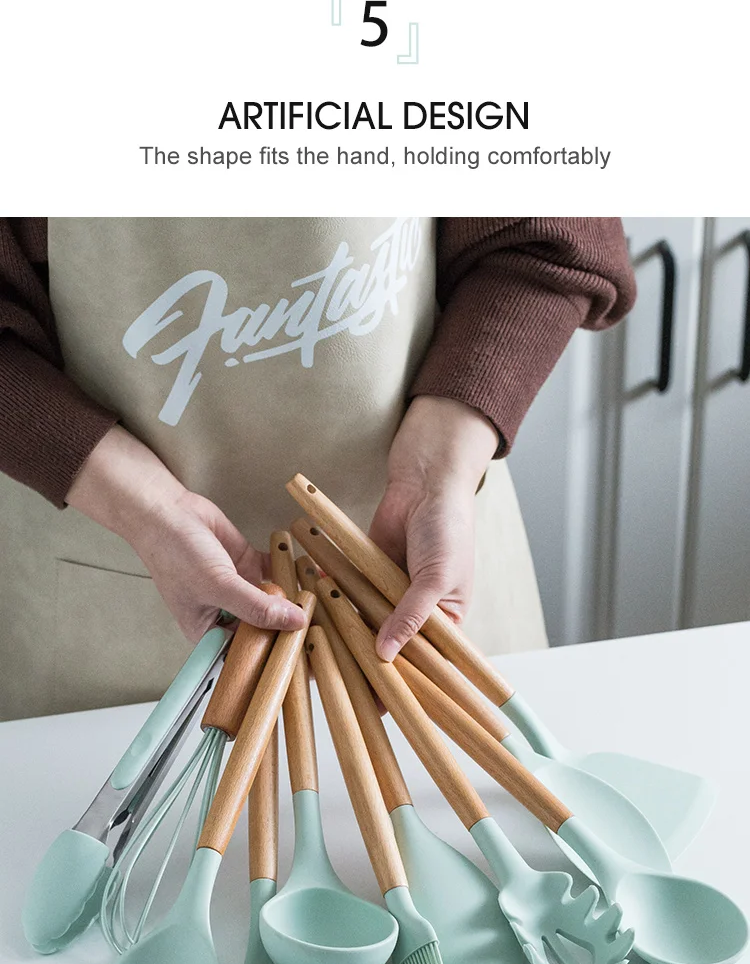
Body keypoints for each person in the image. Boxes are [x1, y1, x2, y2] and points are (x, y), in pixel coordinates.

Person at [0, 217, 636, 721]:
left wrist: (442, 464)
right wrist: (150, 510)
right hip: (105, 594)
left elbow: (547, 240)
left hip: (432, 557)